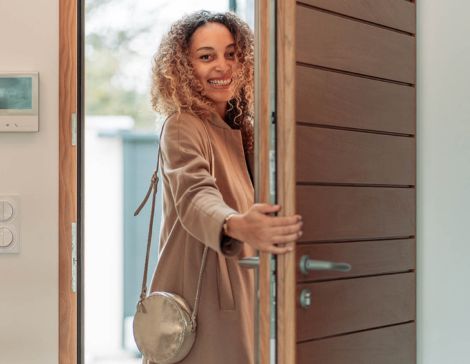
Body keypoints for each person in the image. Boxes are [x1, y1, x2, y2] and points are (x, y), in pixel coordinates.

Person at [147, 10, 303, 364]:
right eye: (206, 56)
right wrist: (236, 224)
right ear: (183, 67)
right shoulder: (182, 125)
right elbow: (194, 195)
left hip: (243, 288)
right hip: (202, 295)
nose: (222, 66)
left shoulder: (243, 129)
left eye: (231, 54)